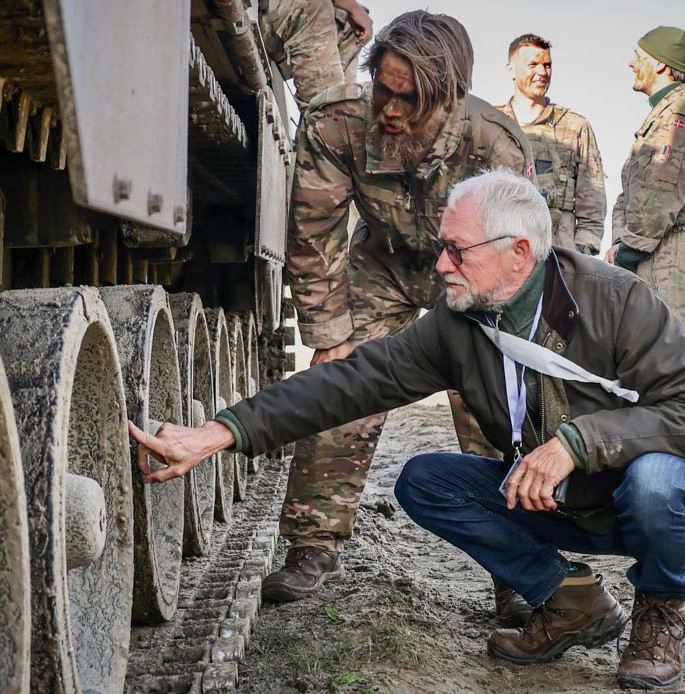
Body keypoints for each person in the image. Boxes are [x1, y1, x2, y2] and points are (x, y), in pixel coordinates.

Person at [130, 169, 685, 691]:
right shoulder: (457, 323)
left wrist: (577, 443)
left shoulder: (617, 300)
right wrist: (221, 431)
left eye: (457, 249)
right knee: (426, 481)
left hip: (669, 502)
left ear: (518, 254)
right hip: (569, 501)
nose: (441, 264)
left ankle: (661, 609)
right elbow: (352, 383)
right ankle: (570, 600)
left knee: (655, 482)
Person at [271, 10, 536, 623]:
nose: (389, 109)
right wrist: (329, 331)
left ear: (446, 95)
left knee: (500, 408)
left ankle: (519, 570)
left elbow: (519, 255)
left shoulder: (494, 144)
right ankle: (314, 544)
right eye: (382, 89)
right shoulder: (337, 124)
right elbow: (314, 232)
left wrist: (502, 337)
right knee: (341, 382)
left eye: (407, 97)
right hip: (381, 261)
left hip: (472, 276)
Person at [606, 26, 685, 341]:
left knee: (671, 369)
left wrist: (625, 251)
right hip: (663, 255)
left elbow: (658, 198)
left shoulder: (678, 117)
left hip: (675, 262)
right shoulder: (665, 115)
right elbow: (632, 193)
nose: (632, 63)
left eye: (638, 56)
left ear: (660, 64)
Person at [497, 34, 606, 255]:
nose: (542, 73)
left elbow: (592, 197)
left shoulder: (575, 127)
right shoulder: (492, 124)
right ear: (511, 69)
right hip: (502, 250)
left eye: (547, 65)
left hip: (558, 252)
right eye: (533, 65)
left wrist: (583, 249)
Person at [259, 0, 373, 110]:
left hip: (272, 16)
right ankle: (325, 112)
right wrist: (353, 8)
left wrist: (353, 9)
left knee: (347, 21)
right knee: (313, 6)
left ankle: (342, 111)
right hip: (256, 11)